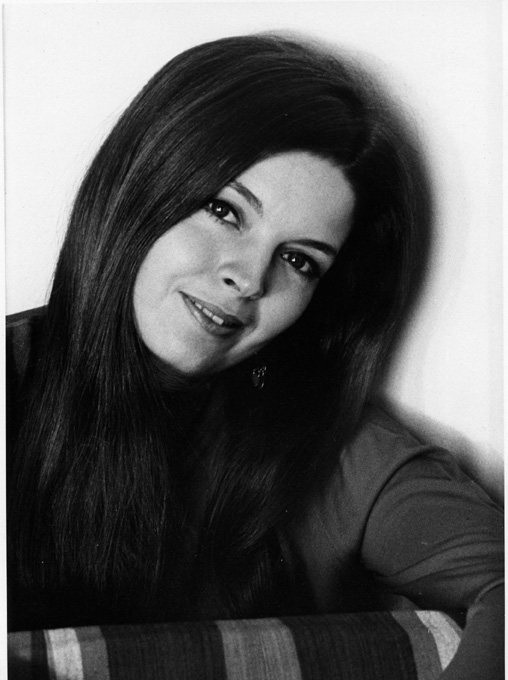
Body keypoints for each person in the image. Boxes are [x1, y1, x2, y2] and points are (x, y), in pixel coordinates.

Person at [6, 34, 502, 678]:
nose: (247, 277)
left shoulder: (334, 450)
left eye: (298, 260)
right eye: (225, 211)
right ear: (138, 187)